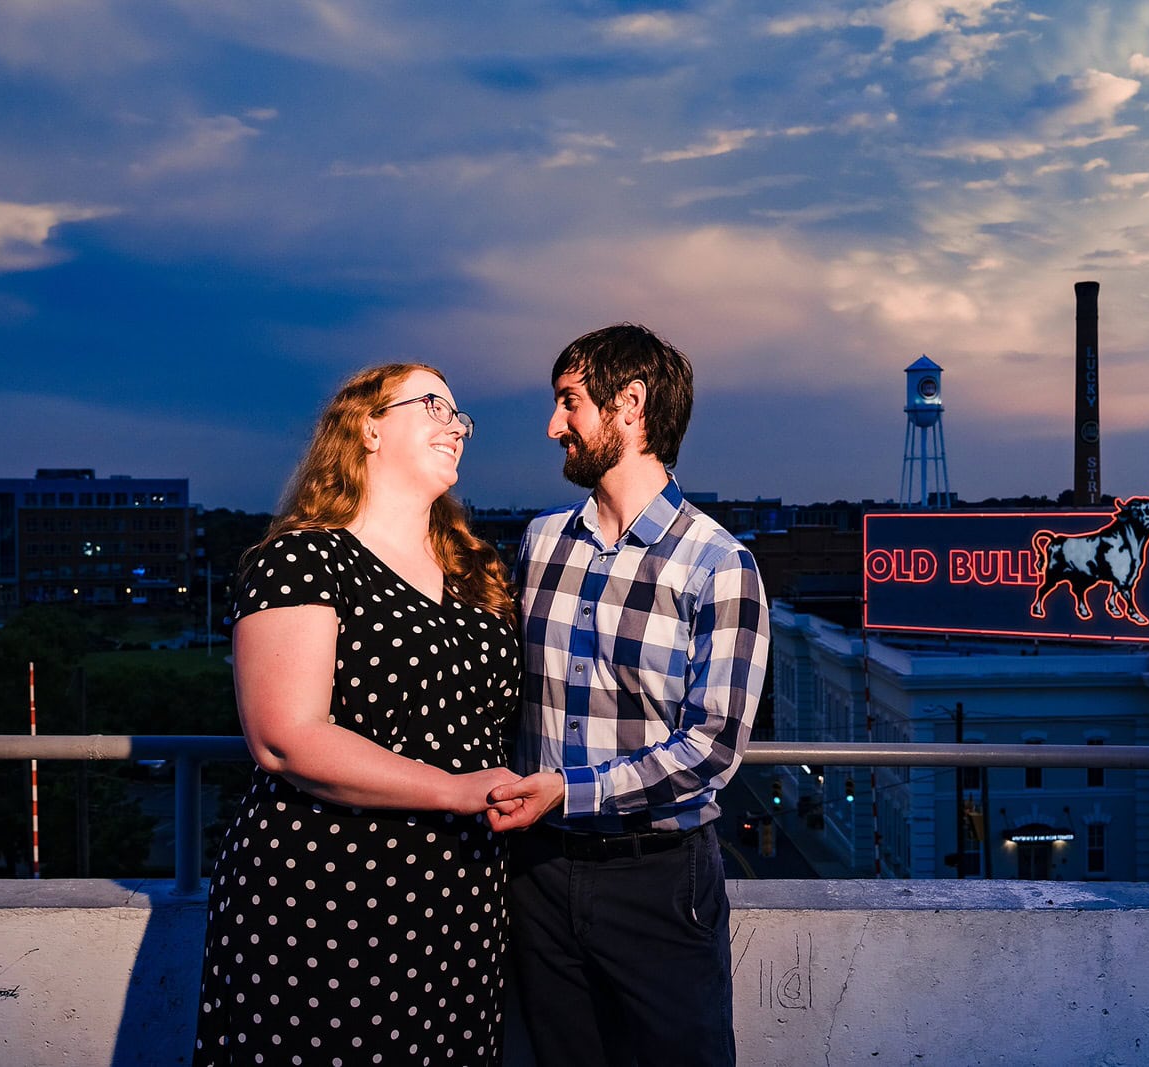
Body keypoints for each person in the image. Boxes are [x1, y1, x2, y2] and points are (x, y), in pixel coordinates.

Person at [193, 363, 525, 1066]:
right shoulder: (303, 557)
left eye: (461, 415)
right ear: (368, 426)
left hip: (461, 905)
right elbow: (286, 738)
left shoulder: (477, 574)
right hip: (329, 899)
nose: (455, 425)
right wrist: (456, 789)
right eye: (434, 403)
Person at [487, 323, 771, 1067]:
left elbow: (711, 748)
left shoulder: (720, 564)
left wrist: (565, 792)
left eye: (568, 402)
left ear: (630, 406)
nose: (554, 427)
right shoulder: (540, 544)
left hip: (658, 883)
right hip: (538, 875)